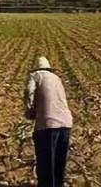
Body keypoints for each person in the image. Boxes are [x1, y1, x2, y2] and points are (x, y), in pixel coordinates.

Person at [24, 56, 73, 187]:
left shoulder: (36, 75)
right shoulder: (57, 78)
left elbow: (29, 92)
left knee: (46, 166)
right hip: (66, 124)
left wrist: (30, 111)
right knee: (58, 165)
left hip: (48, 125)